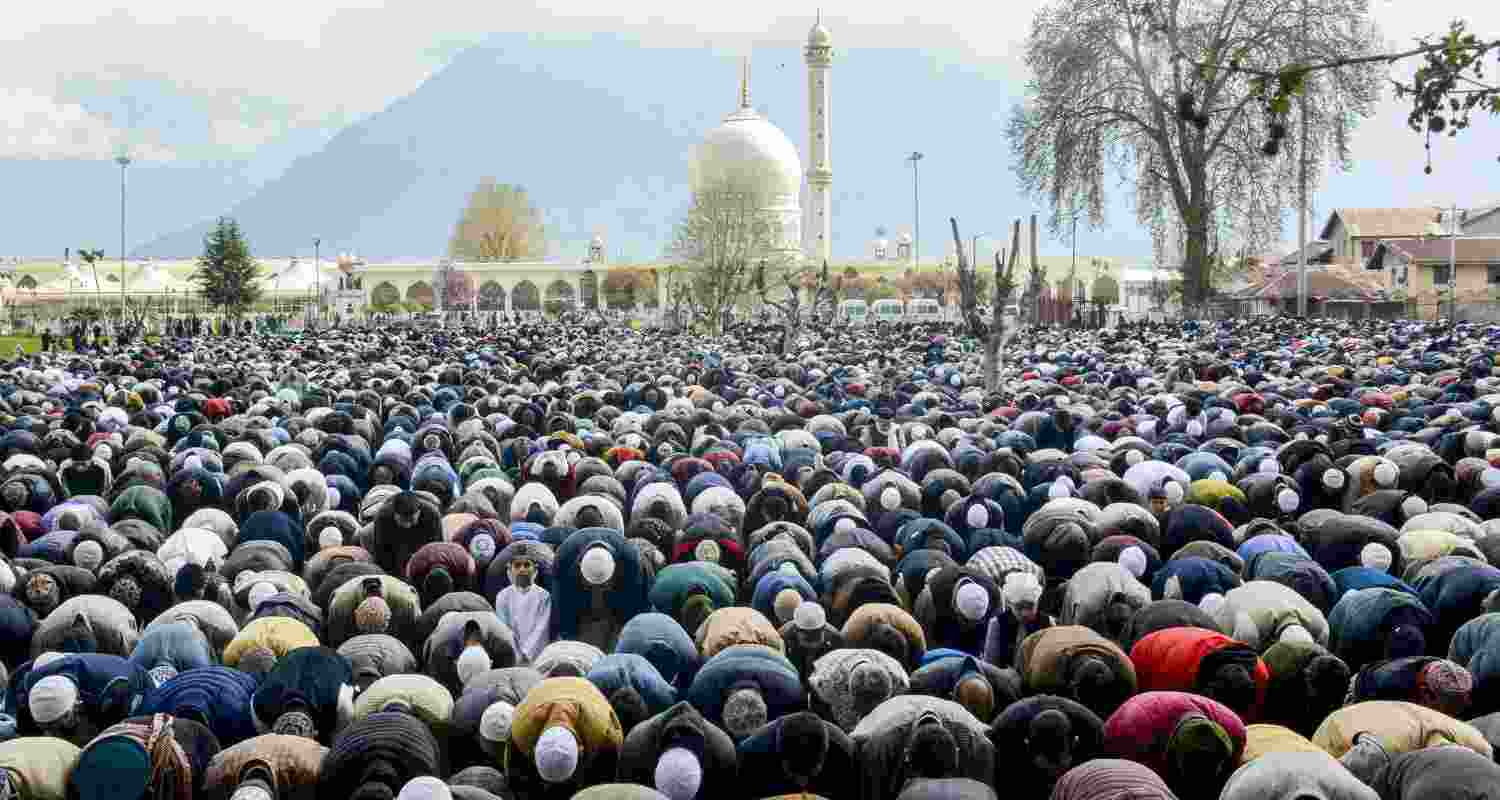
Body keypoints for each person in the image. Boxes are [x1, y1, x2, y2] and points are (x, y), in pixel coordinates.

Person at [495, 552, 552, 665]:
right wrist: (517, 653)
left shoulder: (543, 595)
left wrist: (526, 651)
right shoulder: (503, 595)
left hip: (538, 652)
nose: (522, 569)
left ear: (535, 570)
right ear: (510, 571)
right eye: (517, 565)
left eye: (526, 565)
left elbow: (542, 627)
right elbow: (504, 628)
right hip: (512, 653)